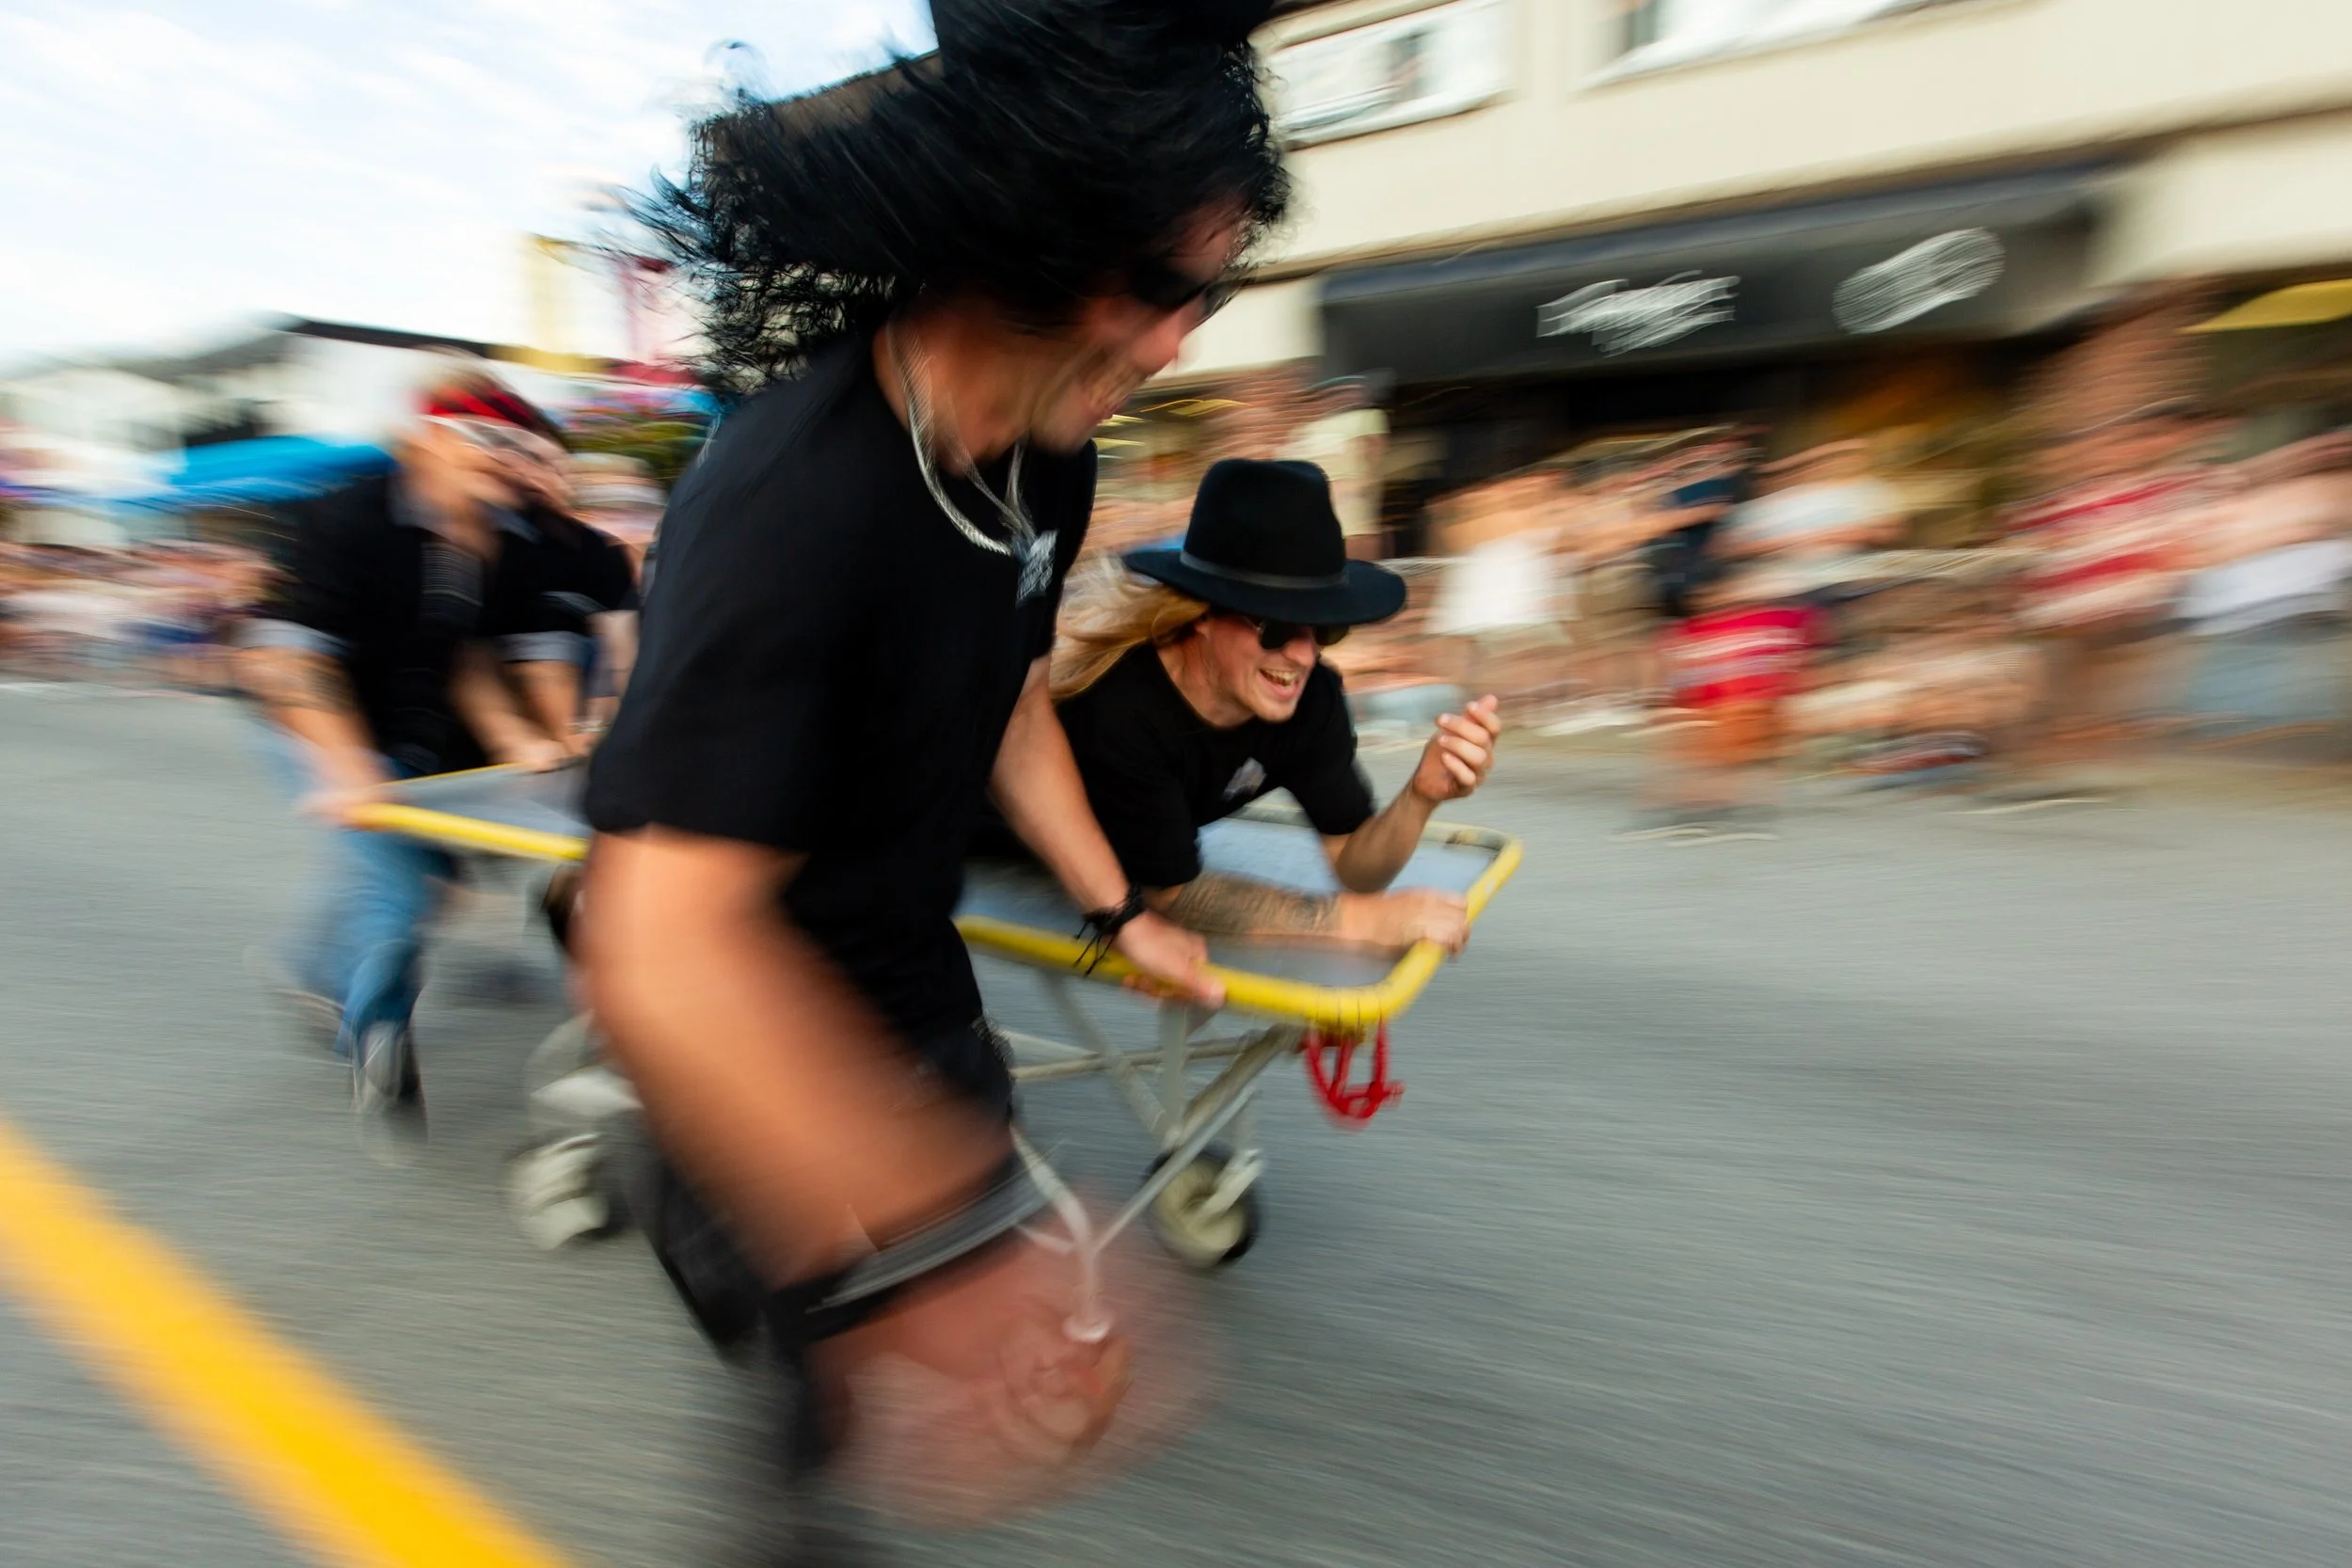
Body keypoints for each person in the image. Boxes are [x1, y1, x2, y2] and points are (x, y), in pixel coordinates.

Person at [577, 0, 1289, 1518]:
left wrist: (1119, 907)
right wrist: (944, 1245)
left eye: (1208, 302)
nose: (1175, 342)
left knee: (950, 1393)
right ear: (1032, 226)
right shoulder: (793, 502)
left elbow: (1014, 699)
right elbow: (657, 943)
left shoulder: (1054, 453)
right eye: (1162, 286)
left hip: (916, 1000)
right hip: (749, 1044)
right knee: (817, 1456)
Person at [239, 368, 580, 1127]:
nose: (506, 460)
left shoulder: (508, 541)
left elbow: (473, 657)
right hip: (310, 719)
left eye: (519, 446)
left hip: (411, 730)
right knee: (397, 888)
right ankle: (376, 1032)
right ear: (428, 436)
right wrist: (348, 767)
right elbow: (287, 660)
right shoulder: (348, 517)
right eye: (486, 441)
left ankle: (306, 970)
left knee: (423, 870)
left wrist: (517, 736)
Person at [1050, 458, 1498, 943]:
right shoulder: (1122, 708)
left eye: (1326, 627)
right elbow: (1170, 895)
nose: (1305, 655)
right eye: (1277, 625)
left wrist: (1420, 796)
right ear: (1201, 613)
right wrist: (1363, 923)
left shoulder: (1310, 698)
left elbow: (1354, 865)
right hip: (993, 843)